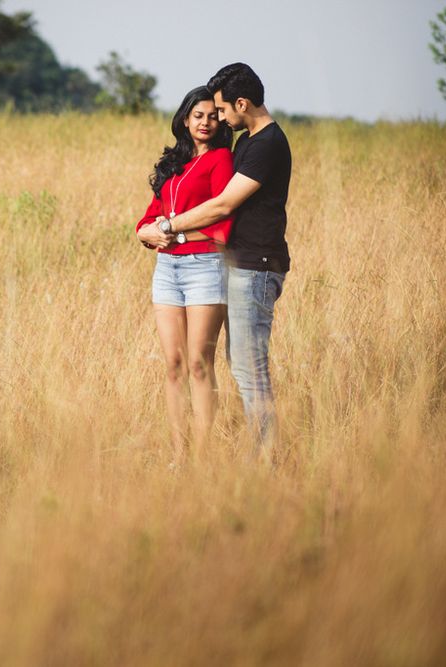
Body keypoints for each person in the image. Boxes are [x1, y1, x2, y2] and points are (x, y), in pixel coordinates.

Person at [155, 63, 292, 459]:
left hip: (257, 265)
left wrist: (170, 226)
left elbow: (223, 205)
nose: (219, 119)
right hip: (239, 264)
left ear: (242, 103)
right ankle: (260, 457)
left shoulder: (267, 144)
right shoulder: (248, 140)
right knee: (242, 364)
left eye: (222, 110)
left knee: (249, 368)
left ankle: (266, 460)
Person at [136, 86, 234, 458]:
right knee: (174, 364)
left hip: (205, 267)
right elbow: (149, 217)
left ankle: (203, 456)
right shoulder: (173, 163)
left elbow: (222, 223)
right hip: (167, 270)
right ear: (185, 118)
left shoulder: (221, 159)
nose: (206, 122)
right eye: (198, 115)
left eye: (213, 116)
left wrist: (170, 232)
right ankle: (180, 454)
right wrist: (144, 232)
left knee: (198, 363)